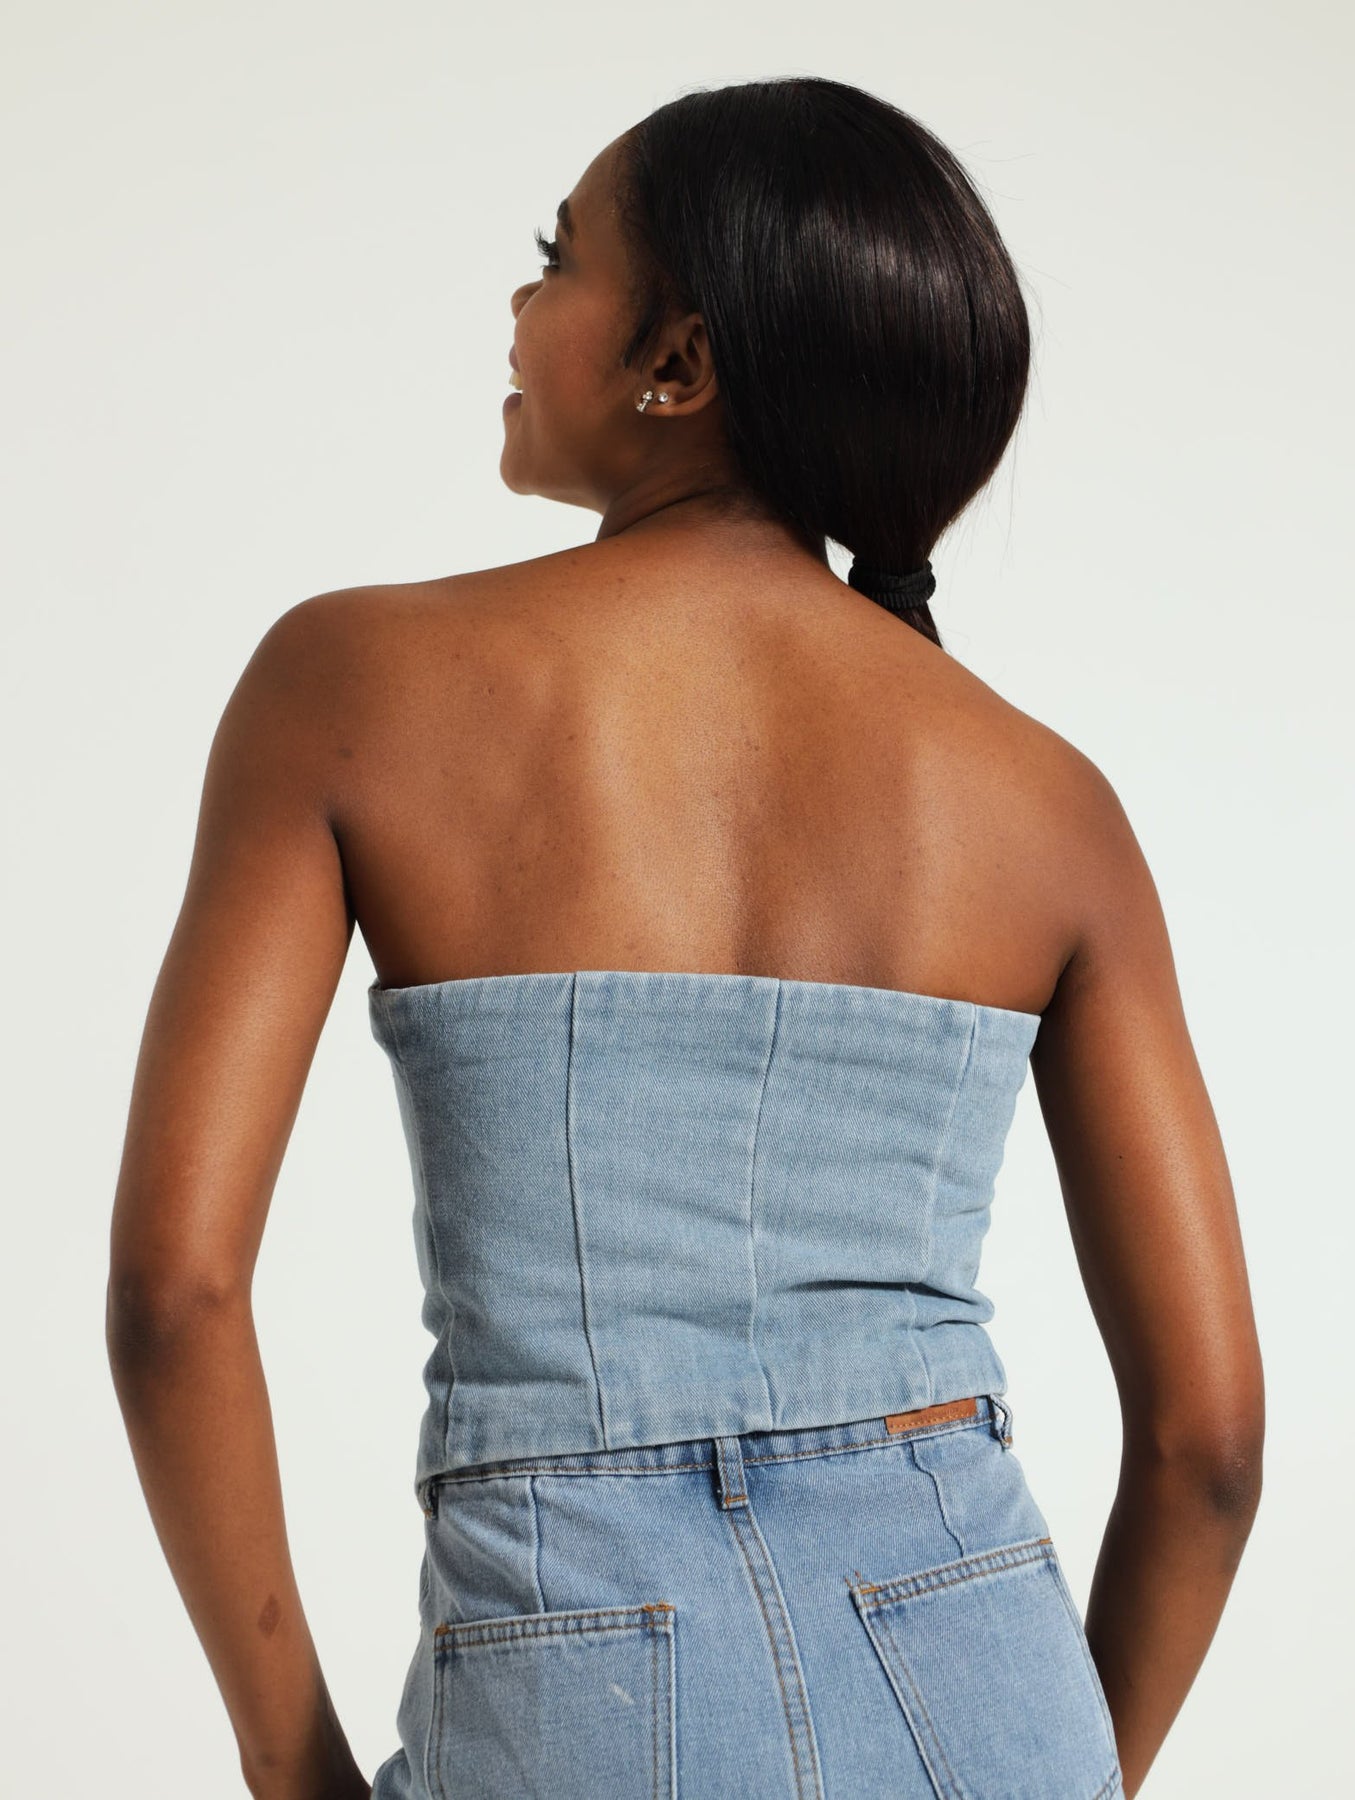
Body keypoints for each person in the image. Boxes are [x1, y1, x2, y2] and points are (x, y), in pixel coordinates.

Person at [106, 76, 1264, 1800]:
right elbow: (1209, 1444)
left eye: (558, 254)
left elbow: (175, 1296)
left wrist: (296, 1773)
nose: (520, 303)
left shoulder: (349, 685)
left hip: (576, 1681)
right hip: (985, 1666)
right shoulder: (1048, 801)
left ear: (680, 361)